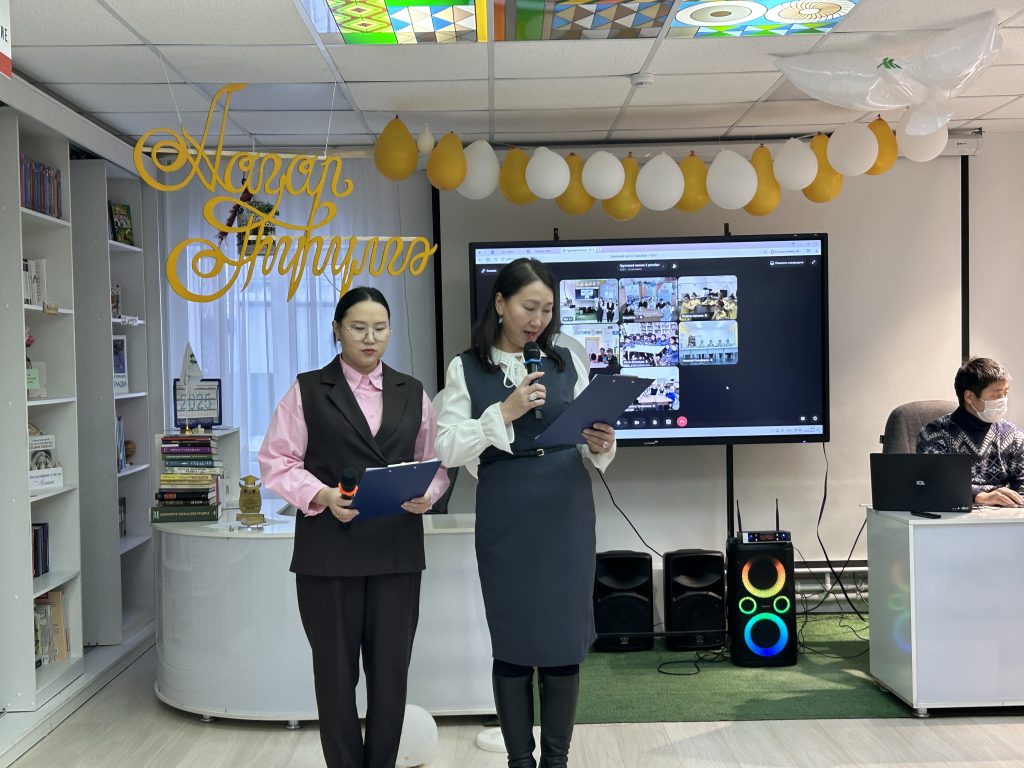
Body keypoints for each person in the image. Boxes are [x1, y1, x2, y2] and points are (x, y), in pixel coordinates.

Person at [433, 258, 615, 768]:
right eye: (528, 307)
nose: (538, 320)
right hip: (506, 512)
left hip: (566, 510)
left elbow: (590, 433)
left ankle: (556, 761)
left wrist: (602, 442)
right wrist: (503, 412)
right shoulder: (466, 367)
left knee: (563, 640)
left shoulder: (566, 361)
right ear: (500, 303)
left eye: (547, 310)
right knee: (512, 639)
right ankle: (520, 761)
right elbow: (446, 446)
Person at [258, 287, 449, 768]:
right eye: (358, 327)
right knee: (335, 676)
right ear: (337, 330)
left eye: (380, 328)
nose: (370, 338)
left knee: (391, 674)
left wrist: (429, 493)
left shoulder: (412, 391)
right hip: (329, 553)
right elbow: (276, 460)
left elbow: (435, 462)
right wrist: (322, 495)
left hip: (396, 551)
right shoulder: (307, 390)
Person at [917, 357, 1024, 506]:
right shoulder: (935, 434)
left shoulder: (1014, 436)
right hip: (953, 515)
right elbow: (933, 481)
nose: (1003, 400)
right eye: (995, 395)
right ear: (969, 397)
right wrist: (979, 496)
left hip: (1002, 515)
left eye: (1005, 393)